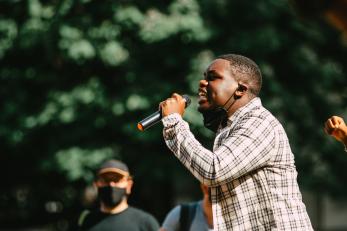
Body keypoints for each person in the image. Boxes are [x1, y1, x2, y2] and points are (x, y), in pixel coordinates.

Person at [159, 54, 313, 230]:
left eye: (212, 78)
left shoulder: (259, 122)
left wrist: (173, 121)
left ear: (240, 89)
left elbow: (213, 171)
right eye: (204, 78)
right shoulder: (228, 130)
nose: (202, 83)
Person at [78, 159, 160, 231]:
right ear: (96, 185)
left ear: (129, 185)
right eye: (106, 180)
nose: (111, 184)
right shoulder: (87, 222)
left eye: (116, 180)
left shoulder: (145, 223)